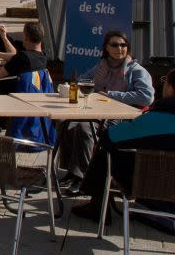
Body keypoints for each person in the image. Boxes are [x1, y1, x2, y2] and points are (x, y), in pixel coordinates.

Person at [70, 70, 175, 224]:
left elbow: (108, 138)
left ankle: (97, 206)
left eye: (165, 81)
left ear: (171, 88)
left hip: (150, 182)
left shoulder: (154, 119)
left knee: (105, 155)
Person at [58, 31, 155, 194]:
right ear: (106, 48)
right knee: (65, 123)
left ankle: (84, 179)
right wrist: (88, 82)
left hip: (123, 118)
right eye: (115, 45)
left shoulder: (136, 71)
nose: (120, 48)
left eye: (123, 45)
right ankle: (73, 172)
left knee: (84, 128)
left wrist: (112, 95)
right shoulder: (102, 65)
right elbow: (83, 80)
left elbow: (147, 97)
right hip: (99, 112)